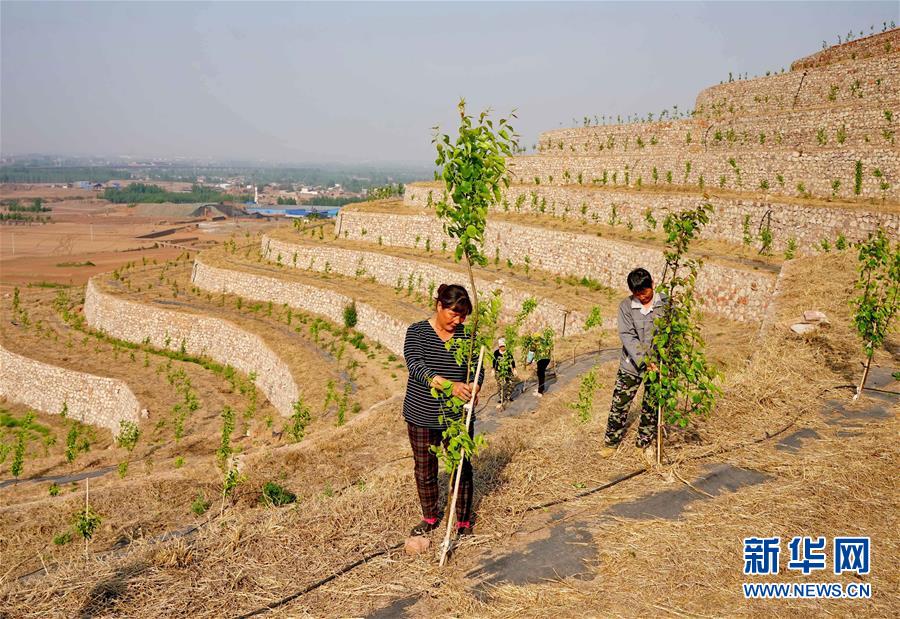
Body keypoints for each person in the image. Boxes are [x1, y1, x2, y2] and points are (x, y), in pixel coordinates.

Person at [403, 284, 483, 537]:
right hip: (421, 414)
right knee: (425, 468)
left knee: (462, 467)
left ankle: (463, 521)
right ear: (439, 306)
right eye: (453, 313)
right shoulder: (417, 332)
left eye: (463, 316)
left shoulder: (467, 338)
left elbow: (477, 368)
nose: (458, 321)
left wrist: (474, 386)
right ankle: (430, 516)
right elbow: (416, 366)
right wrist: (450, 387)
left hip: (456, 417)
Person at [601, 267, 666, 463]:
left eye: (645, 293)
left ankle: (643, 443)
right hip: (631, 365)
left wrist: (661, 362)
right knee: (619, 404)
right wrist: (645, 362)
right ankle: (611, 442)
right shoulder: (626, 306)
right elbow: (627, 336)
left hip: (659, 367)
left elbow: (671, 335)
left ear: (652, 285)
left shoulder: (665, 304)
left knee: (651, 405)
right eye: (637, 294)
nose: (642, 297)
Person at [527, 327, 554, 397]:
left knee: (540, 374)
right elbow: (550, 348)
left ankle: (540, 392)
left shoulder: (534, 342)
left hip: (541, 359)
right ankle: (541, 388)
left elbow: (531, 353)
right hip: (547, 359)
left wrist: (528, 361)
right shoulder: (544, 340)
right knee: (541, 373)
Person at [492, 337, 518, 409]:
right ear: (499, 346)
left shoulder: (508, 352)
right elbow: (494, 361)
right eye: (501, 346)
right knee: (500, 385)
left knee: (512, 383)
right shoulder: (496, 353)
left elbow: (512, 361)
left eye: (503, 346)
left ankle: (508, 396)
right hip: (499, 371)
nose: (502, 347)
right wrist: (493, 369)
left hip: (507, 370)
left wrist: (514, 369)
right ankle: (501, 398)